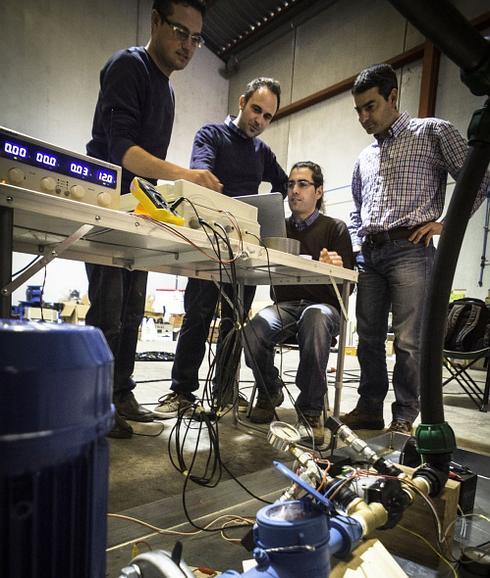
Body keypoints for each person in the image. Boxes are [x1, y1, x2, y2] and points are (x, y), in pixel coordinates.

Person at [85, 0, 222, 439]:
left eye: (197, 39)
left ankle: (121, 393)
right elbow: (121, 152)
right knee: (107, 312)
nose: (189, 46)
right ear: (156, 22)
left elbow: (145, 164)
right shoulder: (129, 66)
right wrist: (188, 175)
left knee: (130, 312)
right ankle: (95, 405)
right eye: (181, 32)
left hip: (138, 211)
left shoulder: (167, 88)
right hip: (108, 206)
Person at [343, 63, 490, 434]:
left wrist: (446, 225)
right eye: (358, 110)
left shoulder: (432, 132)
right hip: (371, 255)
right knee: (369, 338)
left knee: (409, 342)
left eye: (370, 106)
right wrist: (360, 239)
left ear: (393, 97)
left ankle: (405, 416)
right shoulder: (365, 156)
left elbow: (480, 178)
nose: (363, 117)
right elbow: (357, 207)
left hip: (411, 249)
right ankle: (369, 407)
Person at [153, 77, 288, 418]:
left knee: (235, 321)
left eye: (268, 116)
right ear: (242, 102)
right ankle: (182, 391)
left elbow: (282, 185)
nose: (259, 120)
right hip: (209, 243)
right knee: (197, 315)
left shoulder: (263, 152)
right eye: (256, 109)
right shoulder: (211, 135)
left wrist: (267, 214)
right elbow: (201, 172)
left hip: (243, 249)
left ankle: (225, 392)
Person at [243, 161, 354, 445]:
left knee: (315, 317)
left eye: (302, 184)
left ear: (318, 191)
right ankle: (270, 392)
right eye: (291, 184)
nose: (294, 191)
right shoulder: (277, 229)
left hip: (325, 309)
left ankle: (310, 410)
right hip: (288, 307)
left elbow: (350, 284)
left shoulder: (336, 229)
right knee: (254, 329)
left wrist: (337, 267)